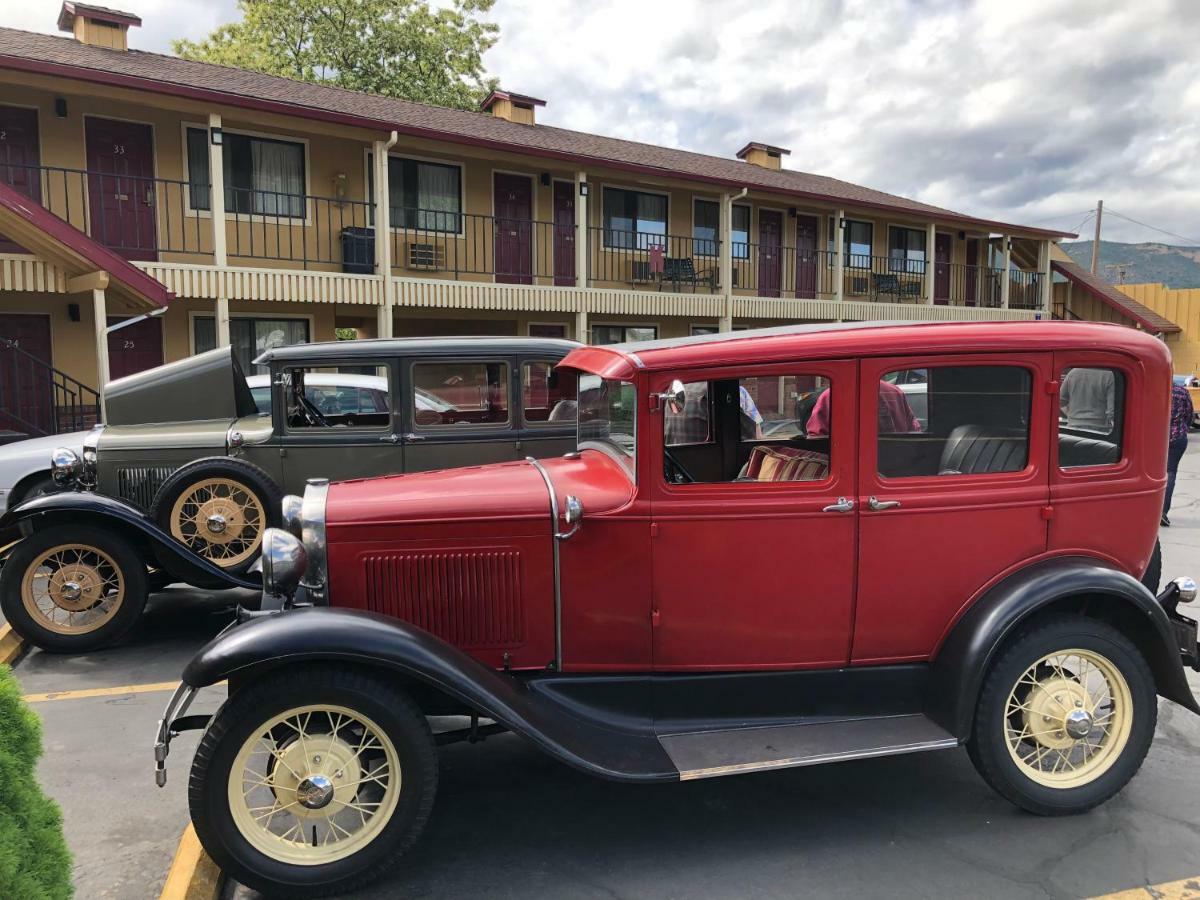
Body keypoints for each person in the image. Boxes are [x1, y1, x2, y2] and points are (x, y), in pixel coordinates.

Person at [806, 380, 920, 436]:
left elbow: (816, 438)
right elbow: (914, 431)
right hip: (895, 470)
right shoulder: (895, 392)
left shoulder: (830, 395)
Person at [1163, 378, 1194, 526]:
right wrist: (1182, 429)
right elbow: (1190, 415)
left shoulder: (1155, 391)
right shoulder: (1182, 392)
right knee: (1170, 472)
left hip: (1156, 439)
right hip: (1177, 438)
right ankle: (1163, 511)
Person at [1060, 366, 1115, 433]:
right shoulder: (1109, 375)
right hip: (1100, 429)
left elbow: (1060, 401)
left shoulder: (1073, 373)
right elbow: (1111, 411)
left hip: (1073, 427)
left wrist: (1072, 416)